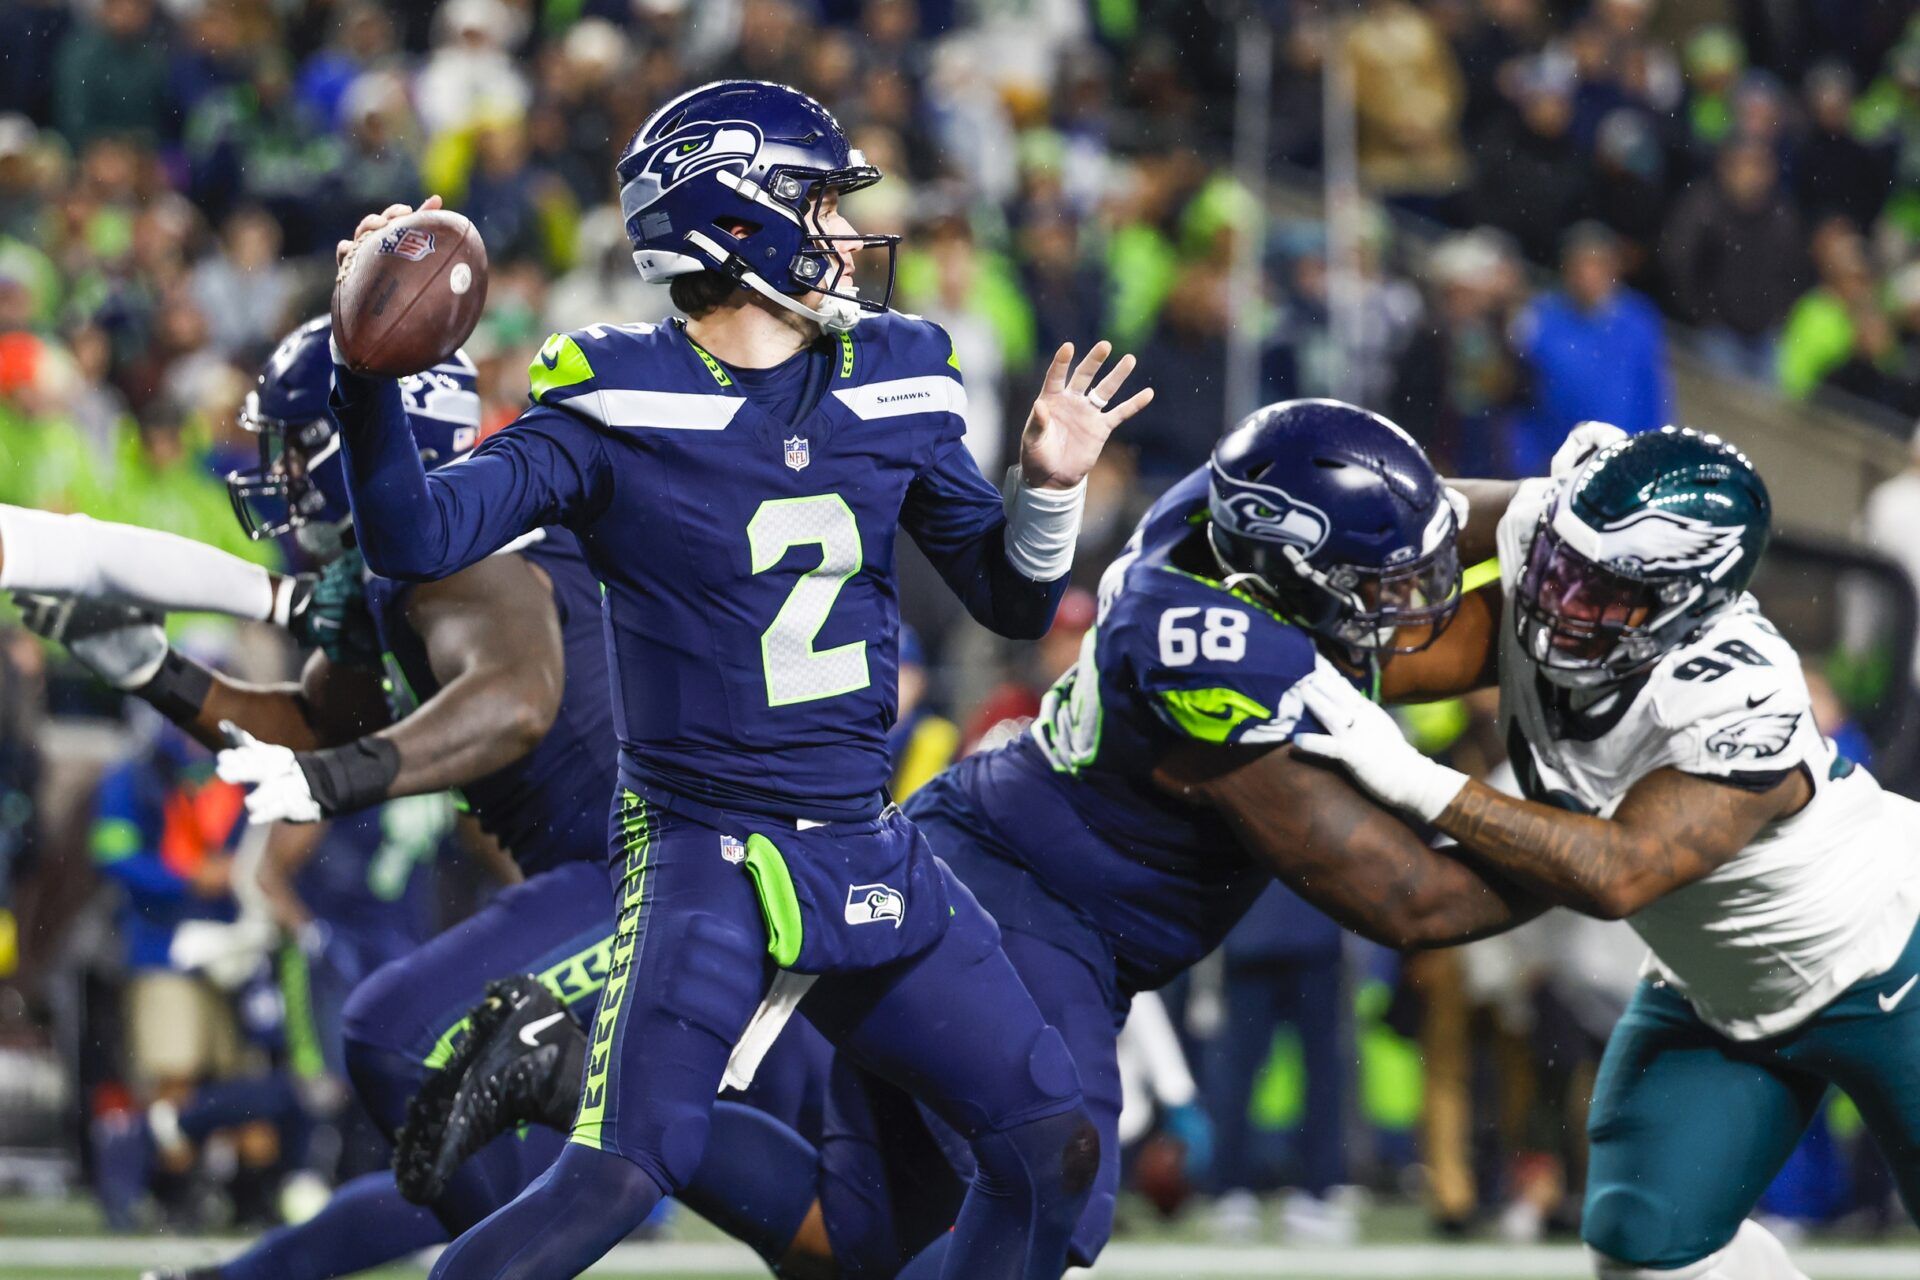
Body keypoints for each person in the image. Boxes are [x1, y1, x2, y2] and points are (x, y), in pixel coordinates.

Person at [412, 399, 1560, 1277]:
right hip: (1026, 899)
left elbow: (1464, 514)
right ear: (1288, 564)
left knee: (863, 1233)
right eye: (1382, 579)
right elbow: (1411, 901)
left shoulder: (1238, 533)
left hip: (1009, 862)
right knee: (1058, 1192)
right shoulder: (1205, 655)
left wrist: (1575, 514)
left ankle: (567, 1066)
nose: (1414, 598)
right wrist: (1603, 843)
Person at [327, 79, 1153, 1280]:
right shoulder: (611, 396)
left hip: (869, 848)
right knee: (608, 1182)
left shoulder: (898, 371)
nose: (841, 232)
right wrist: (365, 382)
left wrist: (1049, 488)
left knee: (1050, 1147)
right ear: (741, 220)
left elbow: (1012, 599)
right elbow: (412, 536)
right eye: (815, 201)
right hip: (705, 853)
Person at [23, 316, 844, 1280]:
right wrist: (154, 669)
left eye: (294, 451)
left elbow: (517, 702)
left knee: (401, 1036)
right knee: (810, 1221)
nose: (279, 480)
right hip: (659, 865)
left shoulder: (460, 544)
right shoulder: (408, 570)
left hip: (668, 865)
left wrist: (337, 779)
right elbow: (315, 723)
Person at [1293, 426, 1920, 1280]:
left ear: (1687, 601)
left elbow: (1618, 870)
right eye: (1558, 564)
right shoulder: (1561, 546)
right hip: (1717, 986)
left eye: (1600, 588)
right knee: (1646, 1247)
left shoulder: (1740, 689)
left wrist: (1417, 778)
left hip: (1890, 960)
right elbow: (1414, 523)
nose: (1557, 597)